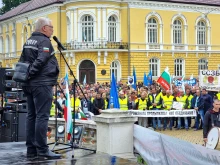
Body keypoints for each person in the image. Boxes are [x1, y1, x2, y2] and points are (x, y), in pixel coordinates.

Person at [20, 18, 61, 159]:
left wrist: (26, 76)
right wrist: (30, 73)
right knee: (42, 116)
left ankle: (31, 150)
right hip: (41, 84)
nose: (52, 30)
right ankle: (42, 150)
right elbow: (41, 60)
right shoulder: (44, 41)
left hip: (29, 84)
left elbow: (22, 61)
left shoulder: (29, 41)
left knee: (31, 116)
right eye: (51, 27)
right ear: (44, 28)